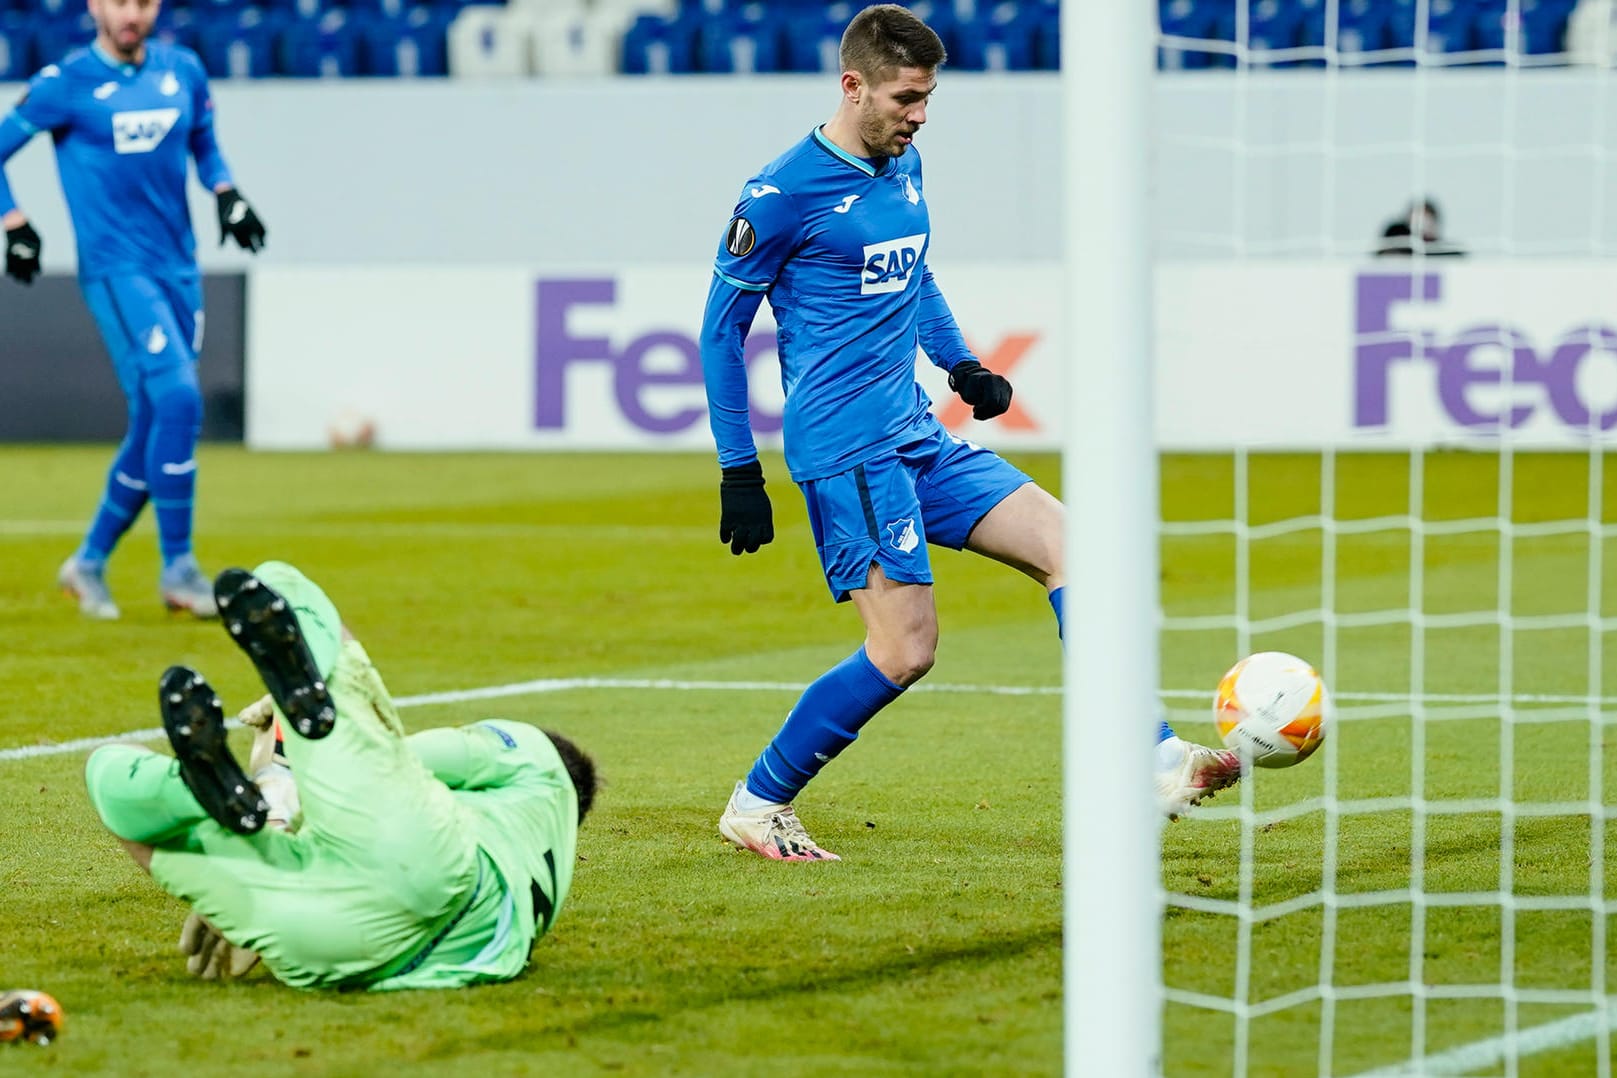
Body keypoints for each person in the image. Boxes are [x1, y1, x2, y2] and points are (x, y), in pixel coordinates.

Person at [697, 3, 1242, 862]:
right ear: (854, 86)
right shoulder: (780, 193)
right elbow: (720, 331)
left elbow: (915, 271)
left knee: (1077, 547)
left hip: (912, 432)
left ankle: (1152, 756)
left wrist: (959, 364)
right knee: (905, 650)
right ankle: (758, 802)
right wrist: (739, 468)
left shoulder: (900, 166)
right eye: (906, 97)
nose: (919, 114)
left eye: (927, 98)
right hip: (847, 450)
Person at [83, 562, 596, 990]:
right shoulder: (542, 874)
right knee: (111, 767)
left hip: (433, 871)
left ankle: (208, 791)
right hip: (339, 952)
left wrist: (284, 762)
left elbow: (410, 756)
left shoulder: (541, 765)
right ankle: (242, 801)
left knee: (110, 772)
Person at [0, 0, 268, 620]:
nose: (132, 14)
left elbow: (205, 142)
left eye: (144, 3)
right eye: (120, 2)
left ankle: (89, 561)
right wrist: (13, 220)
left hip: (180, 267)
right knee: (179, 400)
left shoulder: (184, 69)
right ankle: (180, 569)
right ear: (95, 5)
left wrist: (227, 194)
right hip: (117, 271)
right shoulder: (65, 83)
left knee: (156, 421)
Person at [1375, 197, 1464, 257]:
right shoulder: (1396, 235)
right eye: (1416, 222)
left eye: (1426, 222)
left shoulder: (1445, 252)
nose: (1422, 227)